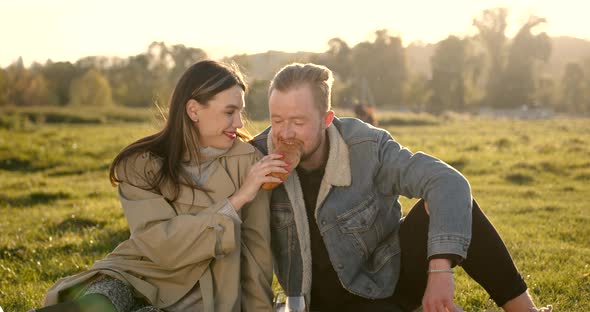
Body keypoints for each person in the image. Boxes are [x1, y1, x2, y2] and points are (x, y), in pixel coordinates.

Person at [250, 63, 552, 312]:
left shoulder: (367, 146)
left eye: (298, 122)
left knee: (453, 199)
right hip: (321, 305)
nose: (285, 133)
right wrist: (250, 186)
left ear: (327, 119)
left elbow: (448, 182)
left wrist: (439, 270)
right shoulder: (254, 158)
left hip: (388, 281)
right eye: (277, 120)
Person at [32, 60, 288, 312]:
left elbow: (256, 252)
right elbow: (158, 245)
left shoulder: (247, 163)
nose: (240, 123)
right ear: (193, 110)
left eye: (240, 112)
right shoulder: (141, 164)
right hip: (137, 274)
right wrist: (237, 200)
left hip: (201, 296)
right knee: (103, 301)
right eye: (229, 112)